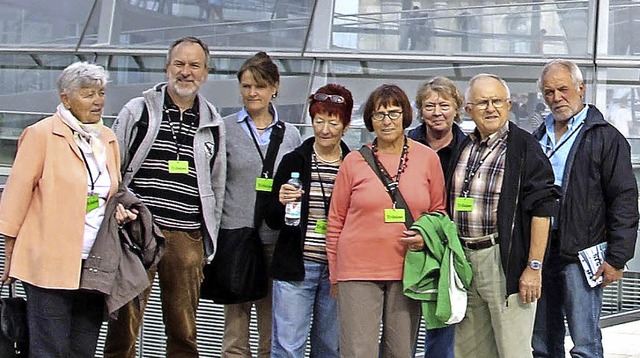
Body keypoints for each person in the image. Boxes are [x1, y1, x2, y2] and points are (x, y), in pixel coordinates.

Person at [0, 62, 136, 357]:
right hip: (47, 262)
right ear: (66, 99)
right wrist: (9, 252)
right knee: (50, 348)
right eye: (88, 94)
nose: (98, 100)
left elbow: (108, 192)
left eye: (101, 93)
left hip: (95, 262)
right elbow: (16, 196)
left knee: (83, 349)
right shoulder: (41, 135)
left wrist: (118, 211)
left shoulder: (108, 139)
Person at [104, 36, 226, 358]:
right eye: (180, 64)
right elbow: (112, 168)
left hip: (187, 236)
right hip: (138, 232)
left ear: (206, 72)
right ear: (167, 67)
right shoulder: (138, 110)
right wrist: (118, 210)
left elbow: (217, 182)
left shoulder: (213, 121)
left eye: (194, 65)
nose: (186, 72)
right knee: (124, 325)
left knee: (184, 331)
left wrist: (207, 237)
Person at [326, 84, 446, 358]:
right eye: (379, 114)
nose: (387, 121)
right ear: (370, 120)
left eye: (393, 113)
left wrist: (424, 237)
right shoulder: (354, 162)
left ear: (406, 115)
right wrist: (335, 274)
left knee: (401, 350)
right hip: (357, 271)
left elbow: (439, 212)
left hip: (408, 269)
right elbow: (335, 222)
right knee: (358, 351)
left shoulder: (427, 158)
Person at [532, 59, 639, 358]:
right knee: (541, 342)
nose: (556, 98)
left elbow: (624, 199)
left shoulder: (605, 137)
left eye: (563, 89)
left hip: (582, 252)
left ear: (581, 88)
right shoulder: (537, 137)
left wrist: (617, 258)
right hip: (540, 251)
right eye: (549, 92)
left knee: (585, 344)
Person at [451, 74, 559, 358]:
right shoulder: (464, 147)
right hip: (464, 260)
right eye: (483, 102)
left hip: (503, 260)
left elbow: (543, 210)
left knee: (512, 350)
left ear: (509, 105)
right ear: (468, 109)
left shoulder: (525, 148)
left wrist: (533, 268)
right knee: (469, 350)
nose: (491, 108)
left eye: (497, 101)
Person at [220, 51, 301, 358]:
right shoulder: (224, 128)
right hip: (236, 239)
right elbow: (217, 183)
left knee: (272, 326)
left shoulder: (290, 134)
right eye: (246, 86)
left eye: (260, 86)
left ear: (274, 88)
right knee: (235, 329)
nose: (252, 93)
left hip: (275, 240)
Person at [267, 84, 353, 358]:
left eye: (333, 121)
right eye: (319, 121)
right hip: (297, 265)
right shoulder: (294, 161)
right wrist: (280, 201)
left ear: (346, 125)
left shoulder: (354, 165)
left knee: (329, 347)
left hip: (337, 270)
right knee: (288, 346)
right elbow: (271, 219)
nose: (325, 129)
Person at [406, 75, 466, 358]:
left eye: (444, 105)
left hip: (452, 242)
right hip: (411, 239)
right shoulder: (405, 145)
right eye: (430, 106)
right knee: (403, 318)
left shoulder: (469, 146)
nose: (437, 113)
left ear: (457, 108)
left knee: (442, 318)